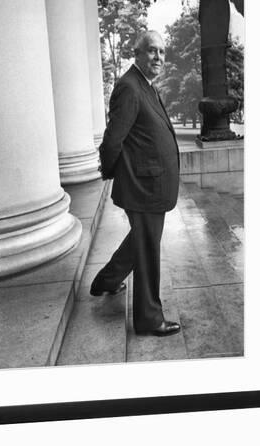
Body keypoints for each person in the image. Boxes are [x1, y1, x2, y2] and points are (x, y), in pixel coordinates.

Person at [90, 30, 181, 336]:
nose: (159, 58)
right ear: (138, 54)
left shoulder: (145, 85)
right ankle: (149, 319)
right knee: (147, 249)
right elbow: (113, 139)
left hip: (150, 184)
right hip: (144, 187)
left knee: (140, 241)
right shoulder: (129, 87)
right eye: (152, 51)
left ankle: (106, 281)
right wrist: (111, 171)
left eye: (163, 52)